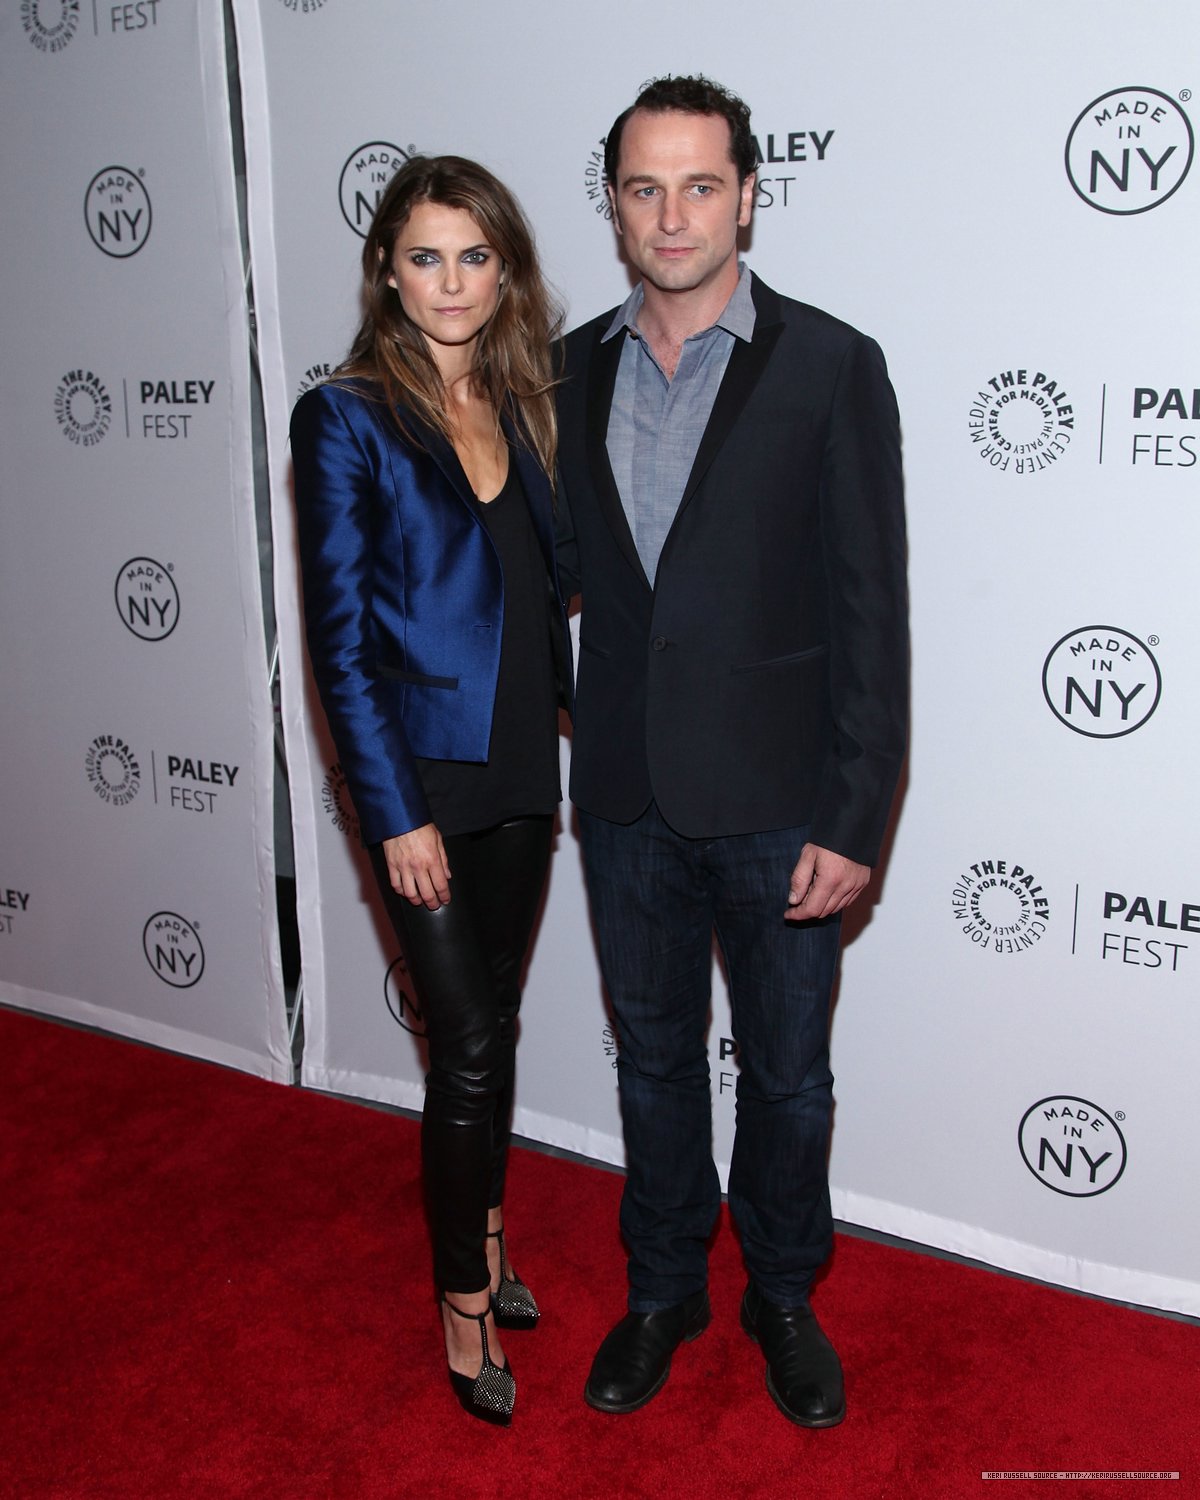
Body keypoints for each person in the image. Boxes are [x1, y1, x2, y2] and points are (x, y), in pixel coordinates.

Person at [555, 76, 908, 1426]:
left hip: (781, 802)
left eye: (701, 184)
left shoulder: (831, 366)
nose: (673, 213)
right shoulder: (568, 366)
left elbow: (872, 606)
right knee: (649, 1063)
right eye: (645, 187)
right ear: (614, 204)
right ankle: (662, 1292)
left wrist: (858, 811)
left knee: (788, 1076)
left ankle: (781, 1293)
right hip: (631, 796)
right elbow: (551, 579)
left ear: (749, 196)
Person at [290, 155, 571, 1427]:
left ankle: (495, 1235)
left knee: (494, 1026)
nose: (449, 281)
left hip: (520, 764)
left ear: (502, 269)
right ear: (387, 269)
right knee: (462, 1049)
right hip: (423, 783)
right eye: (424, 256)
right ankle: (463, 1299)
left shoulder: (524, 402)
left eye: (473, 256)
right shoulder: (347, 416)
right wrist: (393, 810)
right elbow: (338, 642)